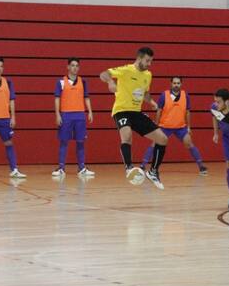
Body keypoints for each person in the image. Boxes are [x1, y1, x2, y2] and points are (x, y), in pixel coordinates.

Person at [99, 46, 168, 189]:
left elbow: (145, 93)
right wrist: (110, 82)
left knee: (162, 139)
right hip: (121, 110)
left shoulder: (148, 75)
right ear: (139, 58)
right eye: (147, 61)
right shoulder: (126, 70)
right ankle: (129, 168)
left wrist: (151, 102)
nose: (149, 64)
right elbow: (104, 74)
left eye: (151, 61)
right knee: (127, 135)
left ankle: (153, 172)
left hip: (136, 112)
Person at [140, 76, 208, 175]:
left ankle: (201, 167)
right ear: (171, 84)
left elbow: (188, 112)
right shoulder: (164, 95)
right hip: (165, 126)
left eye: (178, 83)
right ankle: (143, 166)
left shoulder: (185, 95)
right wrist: (157, 125)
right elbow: (159, 111)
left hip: (180, 127)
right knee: (154, 144)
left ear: (181, 84)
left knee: (189, 143)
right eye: (174, 83)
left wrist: (189, 127)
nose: (176, 85)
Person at [52, 58, 94, 178]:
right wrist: (57, 114)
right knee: (64, 141)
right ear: (68, 67)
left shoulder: (83, 82)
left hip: (80, 115)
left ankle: (82, 168)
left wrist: (90, 112)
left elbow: (86, 97)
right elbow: (57, 99)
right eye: (72, 65)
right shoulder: (61, 82)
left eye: (77, 66)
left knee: (80, 141)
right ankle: (61, 168)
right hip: (66, 115)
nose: (75, 68)